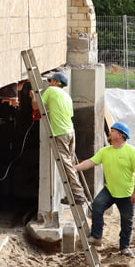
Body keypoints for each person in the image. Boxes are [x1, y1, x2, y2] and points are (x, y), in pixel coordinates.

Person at [73, 122, 135, 258]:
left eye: (112, 131)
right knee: (97, 206)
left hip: (127, 194)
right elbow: (90, 162)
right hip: (110, 190)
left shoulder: (132, 152)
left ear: (120, 135)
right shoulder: (105, 151)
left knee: (126, 222)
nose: (109, 133)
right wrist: (74, 168)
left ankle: (124, 247)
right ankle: (97, 236)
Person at [29, 71, 83, 202]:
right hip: (70, 131)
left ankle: (78, 194)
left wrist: (33, 97)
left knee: (66, 164)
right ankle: (74, 192)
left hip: (61, 133)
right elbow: (67, 114)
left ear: (55, 82)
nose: (49, 83)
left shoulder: (51, 90)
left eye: (50, 81)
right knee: (71, 163)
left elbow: (36, 106)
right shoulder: (67, 96)